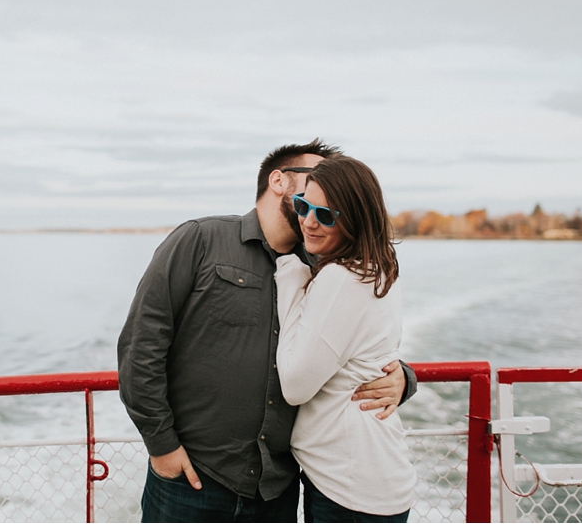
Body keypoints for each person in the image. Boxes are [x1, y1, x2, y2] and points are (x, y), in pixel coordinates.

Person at [117, 141, 417, 523]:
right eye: (311, 187)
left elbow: (353, 348)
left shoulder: (325, 266)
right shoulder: (201, 240)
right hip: (193, 478)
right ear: (279, 180)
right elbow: (140, 346)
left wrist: (402, 379)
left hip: (277, 488)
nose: (315, 199)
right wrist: (161, 446)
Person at [275, 156, 417, 523]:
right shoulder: (381, 268)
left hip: (350, 487)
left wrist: (291, 279)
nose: (308, 221)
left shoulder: (339, 279)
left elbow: (293, 385)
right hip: (372, 476)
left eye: (326, 215)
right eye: (303, 206)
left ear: (354, 219)